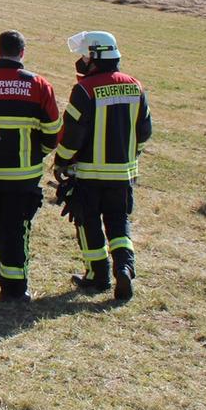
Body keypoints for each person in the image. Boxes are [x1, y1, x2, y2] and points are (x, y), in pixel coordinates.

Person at [54, 30, 152, 303]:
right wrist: (132, 156)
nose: (82, 61)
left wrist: (62, 161)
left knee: (88, 223)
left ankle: (98, 275)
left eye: (85, 56)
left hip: (88, 173)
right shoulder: (135, 86)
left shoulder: (85, 89)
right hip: (122, 174)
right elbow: (144, 130)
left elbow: (73, 133)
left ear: (95, 57)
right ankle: (124, 267)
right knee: (119, 222)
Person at [0, 30, 61, 302]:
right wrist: (39, 154)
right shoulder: (39, 85)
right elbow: (53, 132)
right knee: (17, 229)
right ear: (22, 53)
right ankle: (14, 289)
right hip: (24, 175)